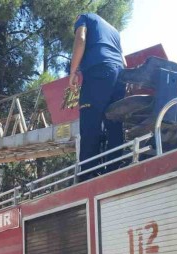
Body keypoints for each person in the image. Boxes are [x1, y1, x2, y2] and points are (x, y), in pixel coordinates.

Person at [69, 12, 126, 171]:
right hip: (120, 73)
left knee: (90, 121)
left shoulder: (83, 17)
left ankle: (89, 172)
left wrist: (73, 71)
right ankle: (115, 166)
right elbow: (124, 60)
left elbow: (80, 39)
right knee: (114, 122)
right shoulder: (114, 31)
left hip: (98, 70)